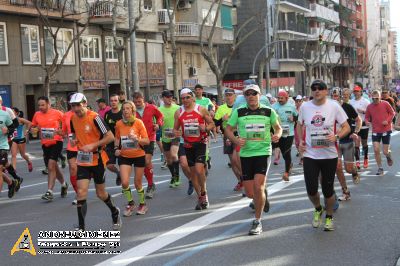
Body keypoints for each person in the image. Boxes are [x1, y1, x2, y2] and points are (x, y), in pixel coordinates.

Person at [225, 84, 281, 235]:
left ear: (259, 95)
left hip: (263, 152)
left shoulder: (269, 111)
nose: (251, 96)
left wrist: (277, 135)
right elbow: (228, 129)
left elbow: (278, 127)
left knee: (258, 186)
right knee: (250, 193)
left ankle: (257, 221)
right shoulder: (239, 111)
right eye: (248, 94)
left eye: (254, 93)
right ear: (245, 96)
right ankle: (263, 195)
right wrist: (236, 140)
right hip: (246, 154)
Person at [297, 80, 350, 231]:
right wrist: (300, 141)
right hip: (310, 154)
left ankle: (329, 217)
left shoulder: (334, 106)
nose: (317, 91)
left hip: (329, 155)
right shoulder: (305, 106)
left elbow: (346, 127)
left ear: (326, 91)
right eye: (314, 88)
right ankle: (318, 208)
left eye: (320, 88)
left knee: (328, 190)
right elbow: (299, 125)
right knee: (311, 189)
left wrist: (337, 137)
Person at [69, 92, 121, 231]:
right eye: (73, 106)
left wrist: (93, 145)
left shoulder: (95, 118)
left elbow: (110, 137)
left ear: (85, 103)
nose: (76, 109)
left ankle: (114, 211)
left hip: (97, 159)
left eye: (78, 105)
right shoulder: (73, 118)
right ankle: (81, 227)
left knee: (101, 194)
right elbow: (75, 134)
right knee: (81, 192)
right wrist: (74, 141)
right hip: (83, 160)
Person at [174, 88, 215, 210]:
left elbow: (212, 124)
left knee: (199, 169)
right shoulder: (179, 112)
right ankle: (200, 197)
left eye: (187, 97)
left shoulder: (200, 109)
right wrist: (176, 132)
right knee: (193, 174)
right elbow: (175, 129)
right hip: (187, 145)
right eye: (183, 98)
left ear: (192, 97)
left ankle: (204, 192)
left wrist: (205, 128)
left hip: (200, 143)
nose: (185, 100)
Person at [115, 101, 150, 216]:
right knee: (124, 182)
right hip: (125, 156)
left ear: (133, 110)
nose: (125, 111)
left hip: (138, 155)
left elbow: (147, 141)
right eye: (124, 109)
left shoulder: (139, 123)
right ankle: (130, 203)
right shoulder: (119, 124)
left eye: (128, 108)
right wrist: (116, 148)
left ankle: (142, 204)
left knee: (137, 183)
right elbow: (117, 138)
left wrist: (137, 140)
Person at [30, 96, 68, 201]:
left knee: (51, 166)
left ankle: (49, 192)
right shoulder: (37, 114)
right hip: (45, 143)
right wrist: (33, 129)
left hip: (57, 142)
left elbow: (67, 123)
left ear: (48, 104)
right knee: (54, 166)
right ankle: (64, 184)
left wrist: (62, 131)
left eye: (42, 105)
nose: (40, 107)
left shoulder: (57, 113)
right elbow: (34, 126)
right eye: (39, 105)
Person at [331, 88, 361, 201]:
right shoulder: (328, 108)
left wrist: (355, 132)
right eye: (333, 96)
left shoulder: (347, 107)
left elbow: (358, 120)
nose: (335, 98)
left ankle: (354, 172)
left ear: (341, 96)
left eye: (337, 96)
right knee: (338, 167)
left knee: (348, 169)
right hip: (334, 142)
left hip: (347, 141)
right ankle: (345, 191)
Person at [132, 91, 163, 199]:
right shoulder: (132, 110)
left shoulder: (151, 107)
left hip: (150, 137)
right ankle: (151, 183)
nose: (137, 103)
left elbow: (160, 116)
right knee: (143, 163)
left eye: (139, 101)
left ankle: (150, 185)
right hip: (137, 140)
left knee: (146, 160)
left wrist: (158, 125)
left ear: (143, 99)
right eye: (135, 102)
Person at [214, 88, 242, 191]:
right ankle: (240, 181)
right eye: (227, 95)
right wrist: (222, 119)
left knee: (237, 159)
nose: (228, 97)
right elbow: (215, 123)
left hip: (239, 134)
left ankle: (245, 177)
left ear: (234, 96)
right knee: (233, 162)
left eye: (230, 95)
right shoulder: (221, 108)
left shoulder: (239, 106)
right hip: (227, 136)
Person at [365, 90, 395, 175]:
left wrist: (387, 120)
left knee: (385, 151)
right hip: (375, 130)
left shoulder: (385, 103)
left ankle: (388, 156)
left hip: (386, 129)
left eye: (376, 98)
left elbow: (392, 113)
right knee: (376, 149)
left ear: (380, 97)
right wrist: (367, 121)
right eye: (373, 99)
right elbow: (367, 117)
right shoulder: (369, 106)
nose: (375, 100)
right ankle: (380, 168)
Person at [272, 90, 298, 181]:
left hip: (288, 133)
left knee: (287, 153)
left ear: (287, 98)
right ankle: (289, 164)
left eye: (281, 98)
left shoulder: (291, 107)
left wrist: (293, 118)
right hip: (277, 133)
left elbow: (299, 117)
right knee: (282, 153)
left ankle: (286, 173)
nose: (279, 100)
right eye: (278, 98)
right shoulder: (273, 107)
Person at [159, 90, 181, 187]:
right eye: (167, 97)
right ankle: (173, 176)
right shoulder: (159, 110)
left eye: (171, 97)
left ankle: (177, 176)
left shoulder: (177, 108)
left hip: (176, 135)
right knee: (168, 160)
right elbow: (157, 122)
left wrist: (179, 130)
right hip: (165, 136)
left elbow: (182, 119)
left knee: (173, 154)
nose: (170, 99)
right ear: (163, 98)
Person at [62, 92, 79, 205]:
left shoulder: (87, 114)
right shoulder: (66, 115)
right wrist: (55, 132)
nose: (74, 105)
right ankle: (79, 194)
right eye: (72, 103)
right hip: (72, 147)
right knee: (73, 169)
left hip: (85, 147)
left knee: (86, 171)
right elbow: (64, 132)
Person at [350, 85, 371, 169]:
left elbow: (370, 112)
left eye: (357, 91)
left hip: (364, 125)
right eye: (355, 91)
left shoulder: (366, 101)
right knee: (356, 143)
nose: (356, 93)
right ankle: (358, 161)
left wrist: (363, 111)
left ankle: (365, 158)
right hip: (355, 125)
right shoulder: (351, 102)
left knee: (364, 143)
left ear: (361, 92)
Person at [194, 84, 214, 169]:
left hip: (206, 126)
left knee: (205, 143)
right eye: (196, 90)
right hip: (195, 126)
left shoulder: (207, 100)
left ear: (202, 90)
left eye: (199, 89)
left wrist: (211, 112)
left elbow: (212, 110)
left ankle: (205, 158)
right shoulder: (193, 101)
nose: (198, 91)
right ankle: (205, 158)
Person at [104, 94, 123, 186]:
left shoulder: (123, 113)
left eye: (115, 100)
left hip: (122, 143)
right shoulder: (107, 114)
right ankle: (118, 173)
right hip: (110, 143)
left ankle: (124, 185)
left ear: (118, 101)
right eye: (111, 101)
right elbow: (104, 129)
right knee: (109, 165)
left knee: (123, 166)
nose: (113, 102)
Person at [10, 107, 32, 172]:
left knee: (23, 155)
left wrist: (27, 130)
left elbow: (29, 123)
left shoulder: (20, 119)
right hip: (13, 139)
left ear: (16, 113)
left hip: (21, 139)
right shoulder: (9, 120)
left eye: (12, 111)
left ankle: (29, 161)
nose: (11, 112)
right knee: (13, 155)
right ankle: (13, 170)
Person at [294, 95, 304, 164]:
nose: (298, 102)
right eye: (297, 101)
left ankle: (302, 158)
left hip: (303, 128)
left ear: (302, 101)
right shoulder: (293, 109)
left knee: (302, 142)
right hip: (295, 128)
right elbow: (292, 118)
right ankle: (301, 155)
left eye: (299, 101)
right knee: (297, 143)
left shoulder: (304, 109)